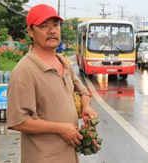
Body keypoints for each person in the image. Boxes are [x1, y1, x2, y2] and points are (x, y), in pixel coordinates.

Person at [6, 4, 98, 163]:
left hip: (68, 154)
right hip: (43, 157)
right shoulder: (25, 71)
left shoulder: (64, 63)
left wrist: (86, 107)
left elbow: (83, 91)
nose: (52, 31)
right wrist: (61, 128)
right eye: (44, 26)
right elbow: (18, 121)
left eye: (55, 25)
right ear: (30, 32)